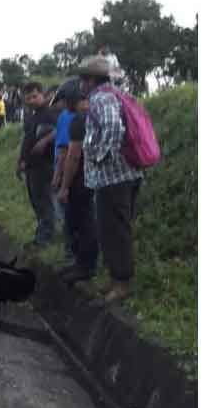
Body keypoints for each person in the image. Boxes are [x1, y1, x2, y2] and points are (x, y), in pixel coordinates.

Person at [76, 55, 143, 301]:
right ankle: (116, 278)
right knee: (114, 229)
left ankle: (122, 284)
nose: (81, 84)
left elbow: (113, 127)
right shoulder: (115, 94)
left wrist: (100, 157)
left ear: (91, 79)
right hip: (126, 174)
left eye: (83, 79)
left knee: (115, 231)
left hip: (113, 178)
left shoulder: (101, 98)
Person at [57, 86, 99, 284]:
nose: (63, 105)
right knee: (86, 222)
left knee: (82, 224)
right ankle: (83, 264)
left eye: (65, 101)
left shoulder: (78, 121)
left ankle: (85, 267)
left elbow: (73, 156)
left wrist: (64, 187)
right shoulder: (96, 116)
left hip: (81, 181)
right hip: (98, 178)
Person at [17, 82, 57, 248]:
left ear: (43, 95)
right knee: (36, 202)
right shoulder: (31, 118)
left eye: (35, 96)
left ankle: (45, 239)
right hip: (31, 167)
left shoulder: (51, 114)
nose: (32, 100)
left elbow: (61, 130)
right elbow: (26, 140)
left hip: (45, 165)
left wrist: (45, 141)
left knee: (44, 202)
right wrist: (19, 161)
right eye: (28, 98)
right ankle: (41, 234)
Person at [51, 80, 80, 255]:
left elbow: (63, 150)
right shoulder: (84, 114)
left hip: (66, 170)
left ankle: (71, 249)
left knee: (65, 213)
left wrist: (57, 178)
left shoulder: (65, 116)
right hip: (83, 172)